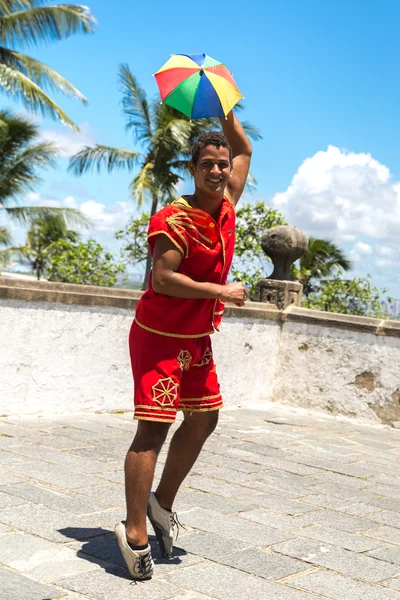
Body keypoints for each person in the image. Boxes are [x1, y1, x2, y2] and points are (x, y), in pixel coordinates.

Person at [115, 110, 252, 580]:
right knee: (153, 429)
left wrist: (227, 109)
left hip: (195, 338)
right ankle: (133, 532)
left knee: (205, 417)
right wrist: (220, 292)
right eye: (208, 164)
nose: (218, 170)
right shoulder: (174, 219)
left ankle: (160, 504)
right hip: (157, 336)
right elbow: (164, 278)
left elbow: (246, 150)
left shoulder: (228, 205)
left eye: (223, 163)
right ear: (191, 169)